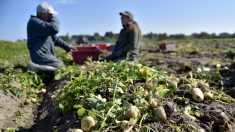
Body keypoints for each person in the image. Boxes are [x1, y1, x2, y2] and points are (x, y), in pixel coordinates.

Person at [27, 2, 74, 83]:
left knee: (62, 65)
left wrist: (68, 48)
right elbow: (54, 28)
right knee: (61, 67)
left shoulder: (43, 26)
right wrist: (53, 17)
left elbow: (56, 39)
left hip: (45, 56)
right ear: (42, 15)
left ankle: (45, 75)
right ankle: (35, 67)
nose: (51, 17)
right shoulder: (34, 22)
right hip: (40, 56)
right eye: (49, 15)